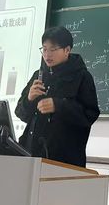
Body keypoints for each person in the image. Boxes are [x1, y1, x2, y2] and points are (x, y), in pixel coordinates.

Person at [15, 26, 99, 167]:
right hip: (31, 155)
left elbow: (90, 114)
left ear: (67, 50)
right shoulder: (38, 75)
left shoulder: (82, 76)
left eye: (53, 49)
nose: (47, 55)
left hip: (64, 159)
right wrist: (29, 99)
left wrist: (59, 106)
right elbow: (20, 113)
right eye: (44, 49)